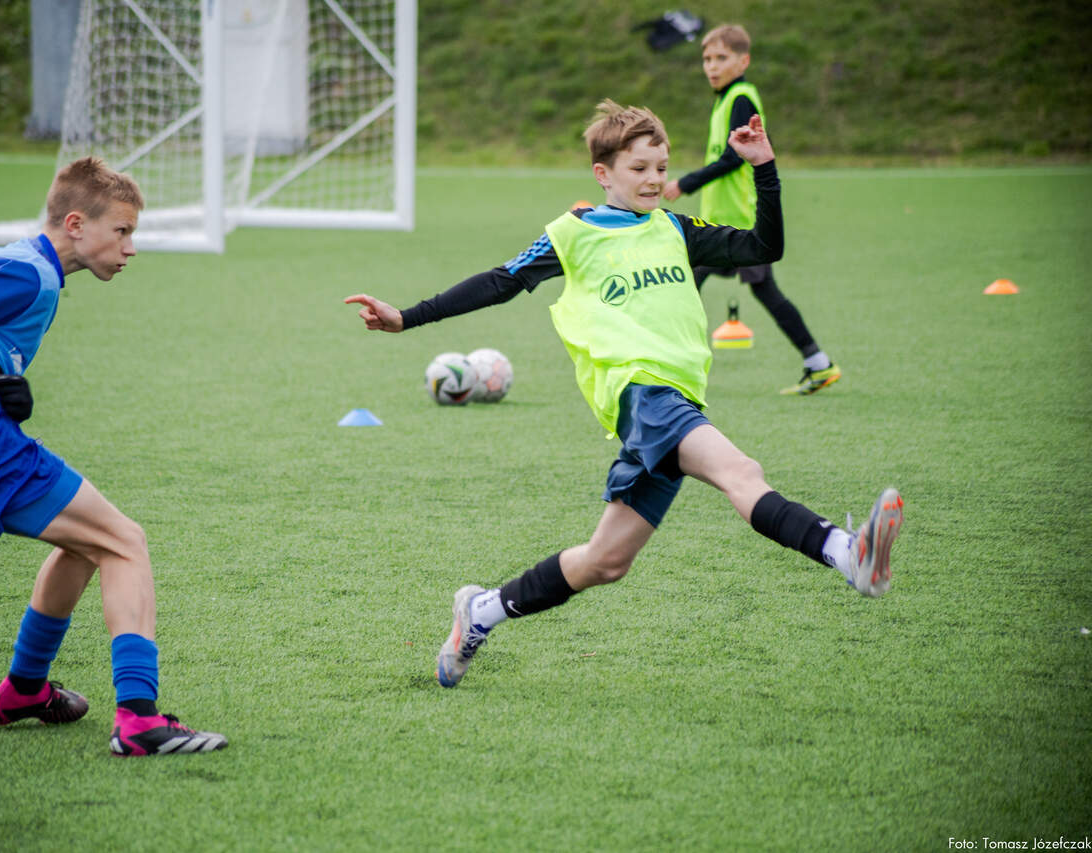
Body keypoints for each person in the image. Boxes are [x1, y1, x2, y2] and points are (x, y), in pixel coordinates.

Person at [345, 100, 902, 689]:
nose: (655, 179)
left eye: (661, 167)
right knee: (742, 472)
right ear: (603, 173)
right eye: (639, 168)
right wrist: (407, 317)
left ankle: (480, 611)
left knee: (604, 562)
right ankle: (848, 554)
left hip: (674, 400)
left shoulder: (676, 229)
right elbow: (500, 282)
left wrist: (763, 166)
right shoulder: (573, 233)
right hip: (639, 392)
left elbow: (765, 247)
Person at [0, 157, 227, 755]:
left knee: (86, 542)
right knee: (126, 542)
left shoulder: (11, 261)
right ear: (75, 224)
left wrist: (6, 387)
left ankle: (23, 691)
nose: (130, 248)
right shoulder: (30, 275)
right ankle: (139, 721)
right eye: (122, 231)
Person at [663, 24, 840, 396]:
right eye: (707, 59)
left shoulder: (740, 97)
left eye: (721, 58)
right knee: (701, 283)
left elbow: (732, 158)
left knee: (691, 284)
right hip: (723, 220)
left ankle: (670, 367)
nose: (712, 66)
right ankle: (817, 362)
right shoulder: (727, 99)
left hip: (738, 222)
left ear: (743, 61)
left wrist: (685, 183)